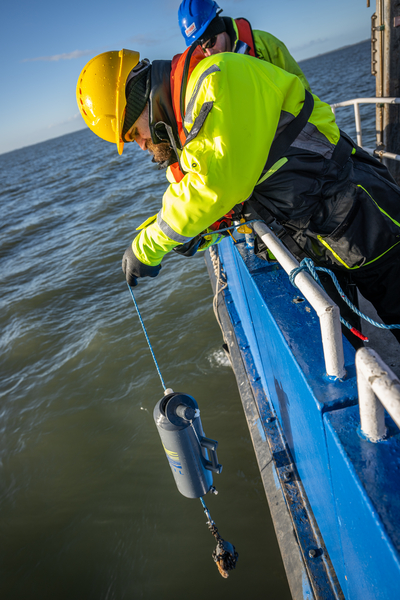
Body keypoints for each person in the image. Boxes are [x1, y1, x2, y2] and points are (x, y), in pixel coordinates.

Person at [76, 49, 400, 343]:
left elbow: (214, 185)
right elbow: (224, 188)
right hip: (315, 231)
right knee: (345, 346)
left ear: (139, 100)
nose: (142, 145)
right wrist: (195, 236)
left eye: (133, 134)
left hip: (359, 215)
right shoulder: (193, 118)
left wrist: (146, 246)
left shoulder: (217, 79)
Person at [177, 0, 311, 92]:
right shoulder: (205, 72)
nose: (209, 54)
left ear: (221, 29)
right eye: (204, 49)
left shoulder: (264, 42)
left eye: (211, 42)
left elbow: (300, 85)